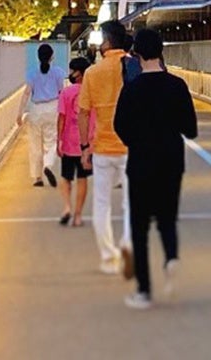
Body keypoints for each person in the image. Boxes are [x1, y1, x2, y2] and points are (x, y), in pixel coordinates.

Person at [113, 29, 198, 310]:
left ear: (136, 53)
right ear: (162, 51)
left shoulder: (132, 88)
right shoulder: (177, 86)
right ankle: (171, 258)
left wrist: (135, 141)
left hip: (140, 161)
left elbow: (120, 125)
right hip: (172, 159)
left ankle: (144, 290)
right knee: (167, 218)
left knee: (140, 225)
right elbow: (191, 129)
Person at [80, 22, 133, 276]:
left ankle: (108, 257)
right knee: (132, 203)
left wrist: (83, 146)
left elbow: (83, 113)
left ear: (109, 42)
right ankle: (128, 251)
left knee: (102, 204)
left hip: (102, 146)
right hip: (132, 147)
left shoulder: (92, 72)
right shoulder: (134, 68)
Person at [56, 56, 93, 226]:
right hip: (86, 143)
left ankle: (66, 207)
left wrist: (59, 140)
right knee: (82, 178)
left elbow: (61, 118)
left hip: (69, 142)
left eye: (72, 70)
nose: (70, 74)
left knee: (66, 177)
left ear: (79, 73)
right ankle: (78, 215)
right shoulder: (92, 92)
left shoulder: (66, 92)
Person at [24, 43, 65, 188]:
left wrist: (19, 113)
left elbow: (27, 93)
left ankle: (37, 177)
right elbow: (61, 92)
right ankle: (48, 164)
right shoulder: (58, 73)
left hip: (36, 109)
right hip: (52, 108)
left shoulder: (32, 73)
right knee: (52, 141)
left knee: (35, 144)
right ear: (52, 57)